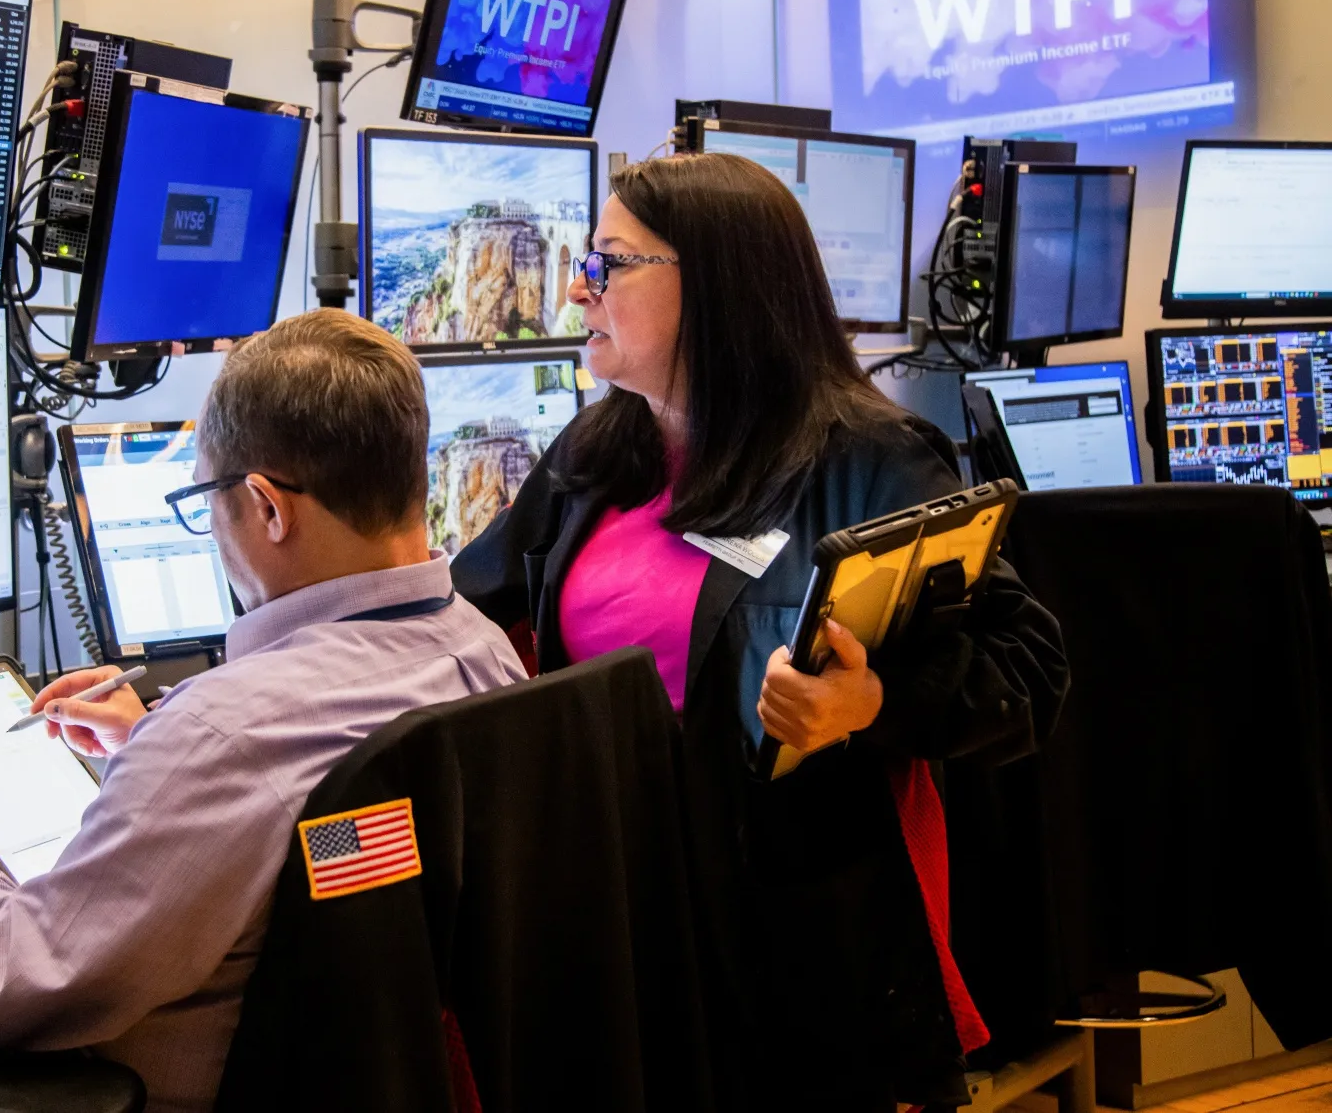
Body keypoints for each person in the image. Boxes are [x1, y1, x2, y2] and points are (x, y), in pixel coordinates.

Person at [451, 152, 1068, 1111]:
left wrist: (871, 702)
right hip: (614, 899)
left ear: (718, 285)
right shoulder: (598, 451)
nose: (578, 285)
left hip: (786, 936)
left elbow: (1028, 669)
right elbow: (468, 607)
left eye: (609, 262)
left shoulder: (869, 460)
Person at [0, 308, 528, 1113]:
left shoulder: (229, 733)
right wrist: (156, 740)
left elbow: (9, 986)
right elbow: (356, 843)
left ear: (268, 508)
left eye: (207, 500)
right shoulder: (483, 653)